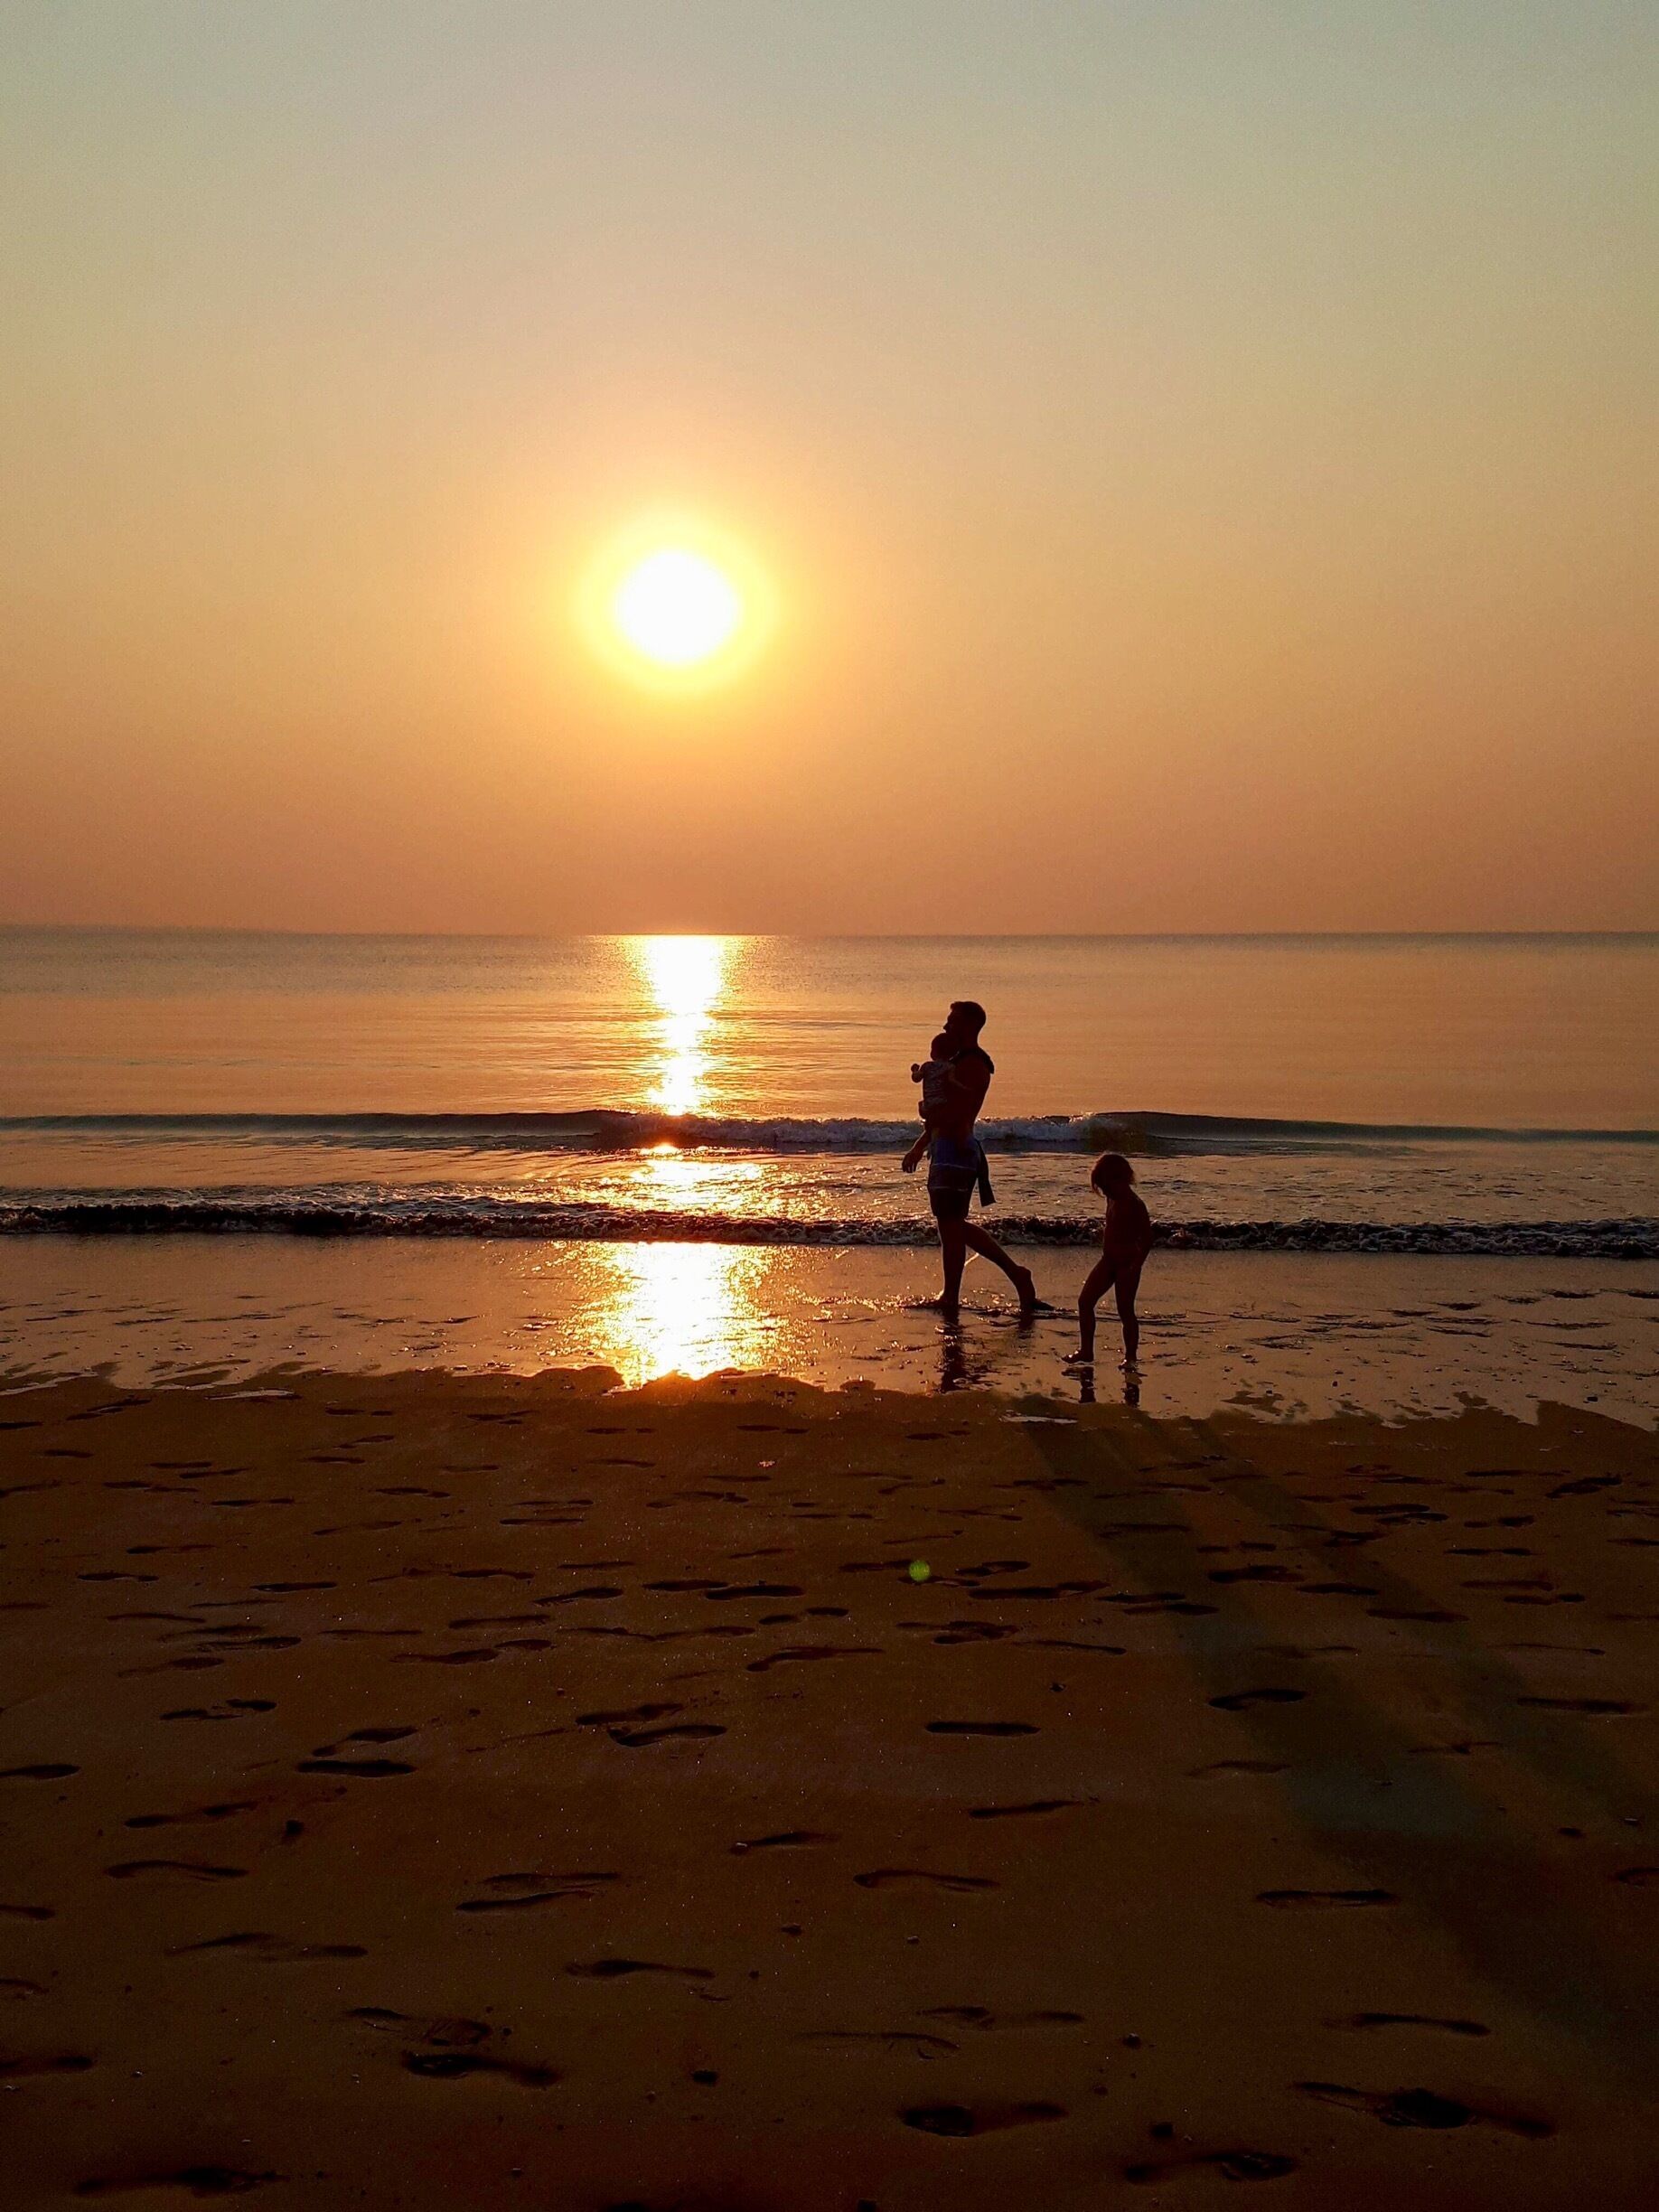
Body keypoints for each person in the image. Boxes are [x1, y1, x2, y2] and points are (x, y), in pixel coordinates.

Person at [902, 998, 1037, 1317]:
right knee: (950, 1226)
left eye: (953, 1020)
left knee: (952, 1226)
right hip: (946, 1147)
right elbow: (944, 1113)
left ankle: (1014, 1273)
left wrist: (924, 1134)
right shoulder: (955, 1062)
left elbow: (957, 1113)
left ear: (969, 1026)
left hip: (956, 1151)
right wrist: (923, 1143)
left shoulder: (972, 1065)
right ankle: (952, 1294)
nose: (946, 1026)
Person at [1066, 1151, 1154, 1370]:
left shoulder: (1135, 1204)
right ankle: (1086, 1350)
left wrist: (1136, 1265)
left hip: (1127, 1265)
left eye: (1106, 1186)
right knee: (1085, 1302)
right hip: (1108, 1261)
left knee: (1126, 1311)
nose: (1104, 1191)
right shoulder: (1112, 1198)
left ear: (1121, 1179)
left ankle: (1131, 1357)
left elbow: (1147, 1239)